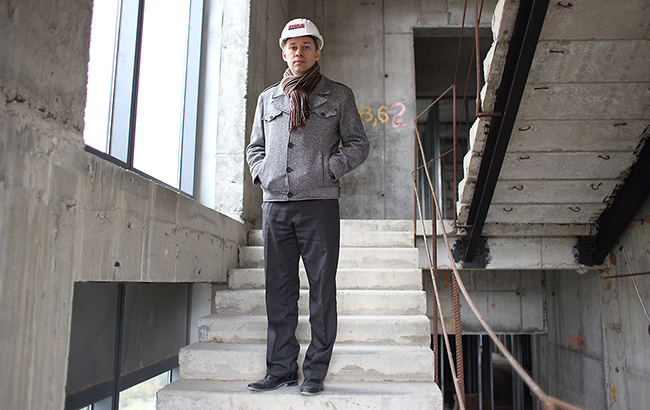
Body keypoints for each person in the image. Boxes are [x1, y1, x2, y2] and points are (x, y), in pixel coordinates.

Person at [246, 18, 369, 395]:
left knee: (321, 290)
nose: (298, 52)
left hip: (319, 204)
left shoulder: (338, 95)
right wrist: (263, 175)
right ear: (284, 53)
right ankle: (281, 368)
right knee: (278, 291)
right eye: (292, 47)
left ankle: (315, 371)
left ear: (317, 52)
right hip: (276, 206)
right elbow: (255, 148)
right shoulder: (268, 98)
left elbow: (358, 144)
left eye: (305, 46)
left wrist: (329, 169)